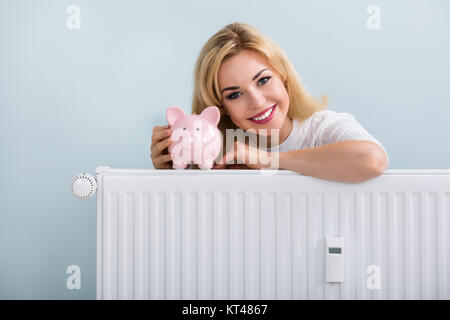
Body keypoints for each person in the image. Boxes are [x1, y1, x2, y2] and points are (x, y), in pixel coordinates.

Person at [150, 22, 389, 183]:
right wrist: (171, 179)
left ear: (283, 75)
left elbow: (372, 159)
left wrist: (268, 161)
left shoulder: (320, 128)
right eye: (235, 94)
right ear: (220, 107)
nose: (257, 101)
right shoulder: (216, 150)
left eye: (263, 80)